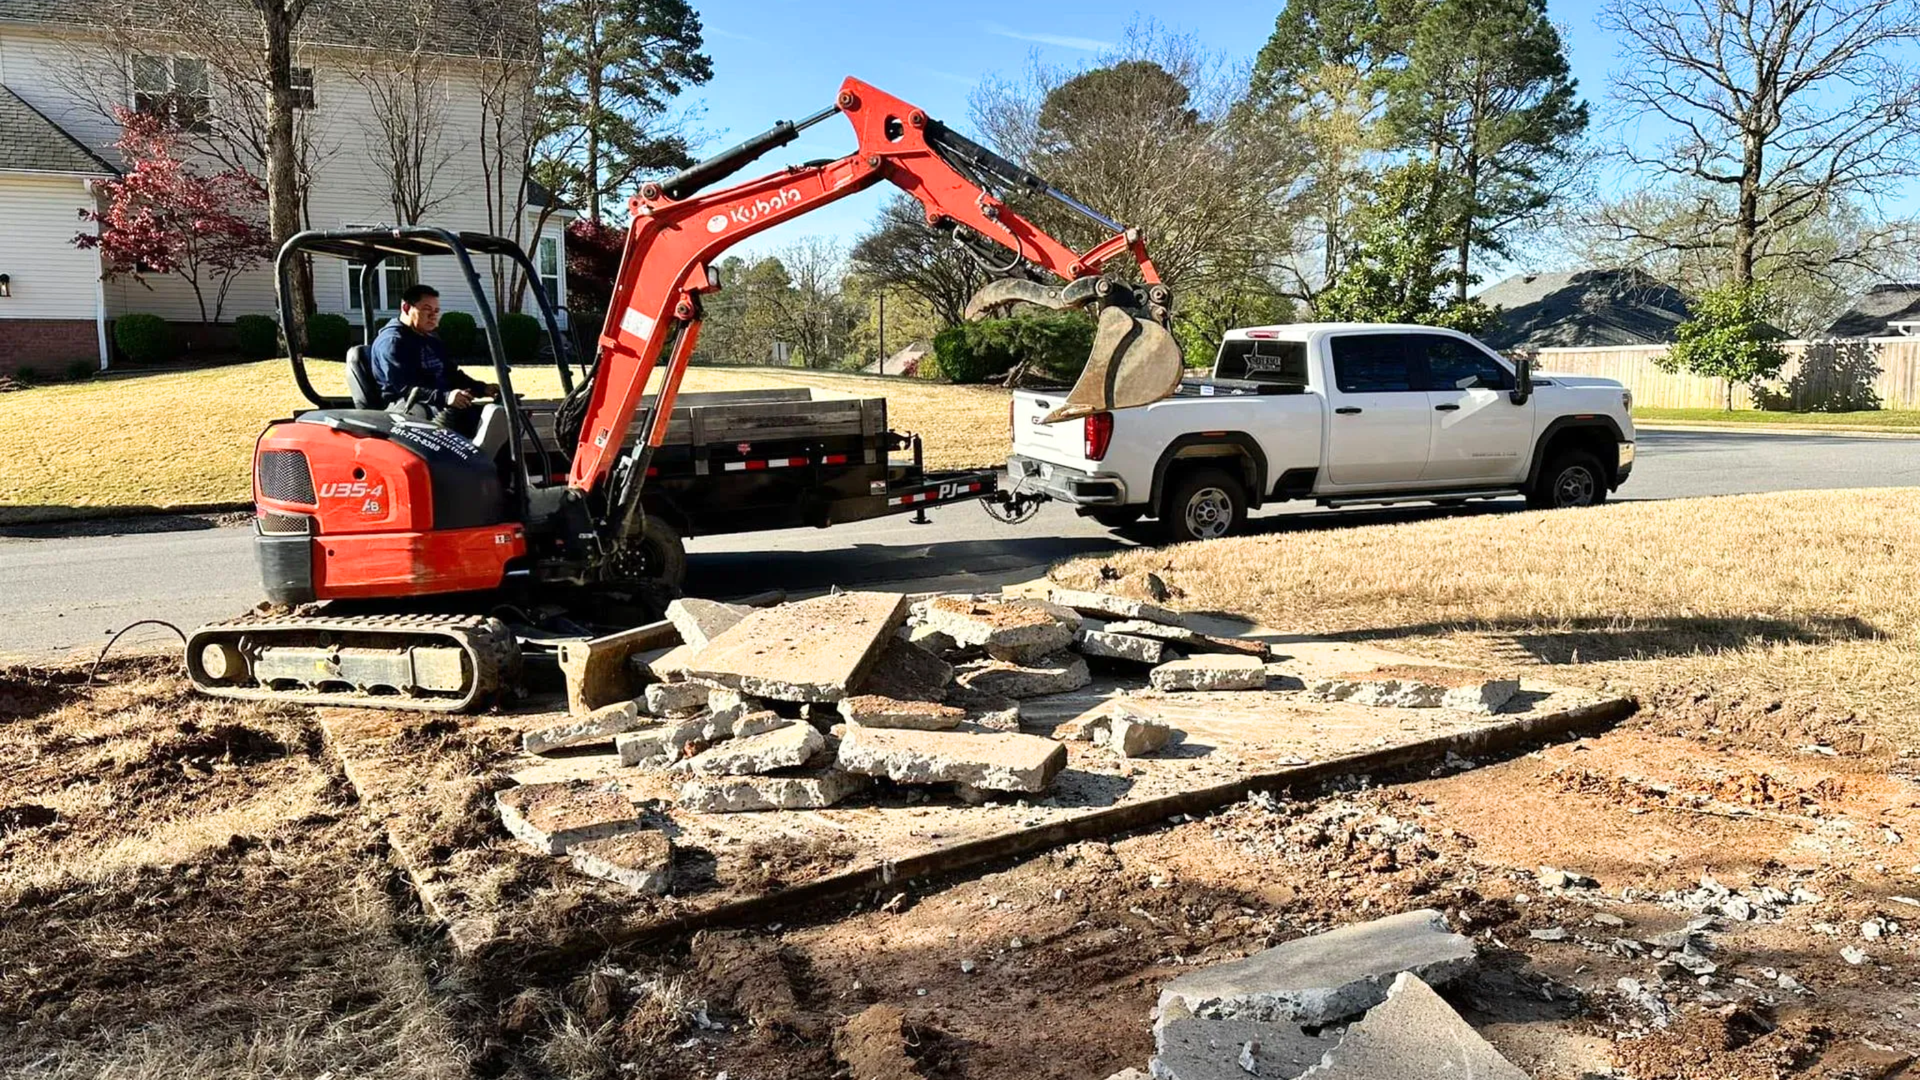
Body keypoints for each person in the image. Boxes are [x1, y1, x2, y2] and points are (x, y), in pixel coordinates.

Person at [369, 283, 496, 436]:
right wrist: (446, 397)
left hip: (440, 404)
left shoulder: (431, 340)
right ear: (406, 308)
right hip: (409, 410)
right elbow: (406, 388)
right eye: (426, 309)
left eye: (436, 311)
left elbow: (451, 374)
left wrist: (482, 388)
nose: (433, 316)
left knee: (498, 419)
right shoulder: (392, 342)